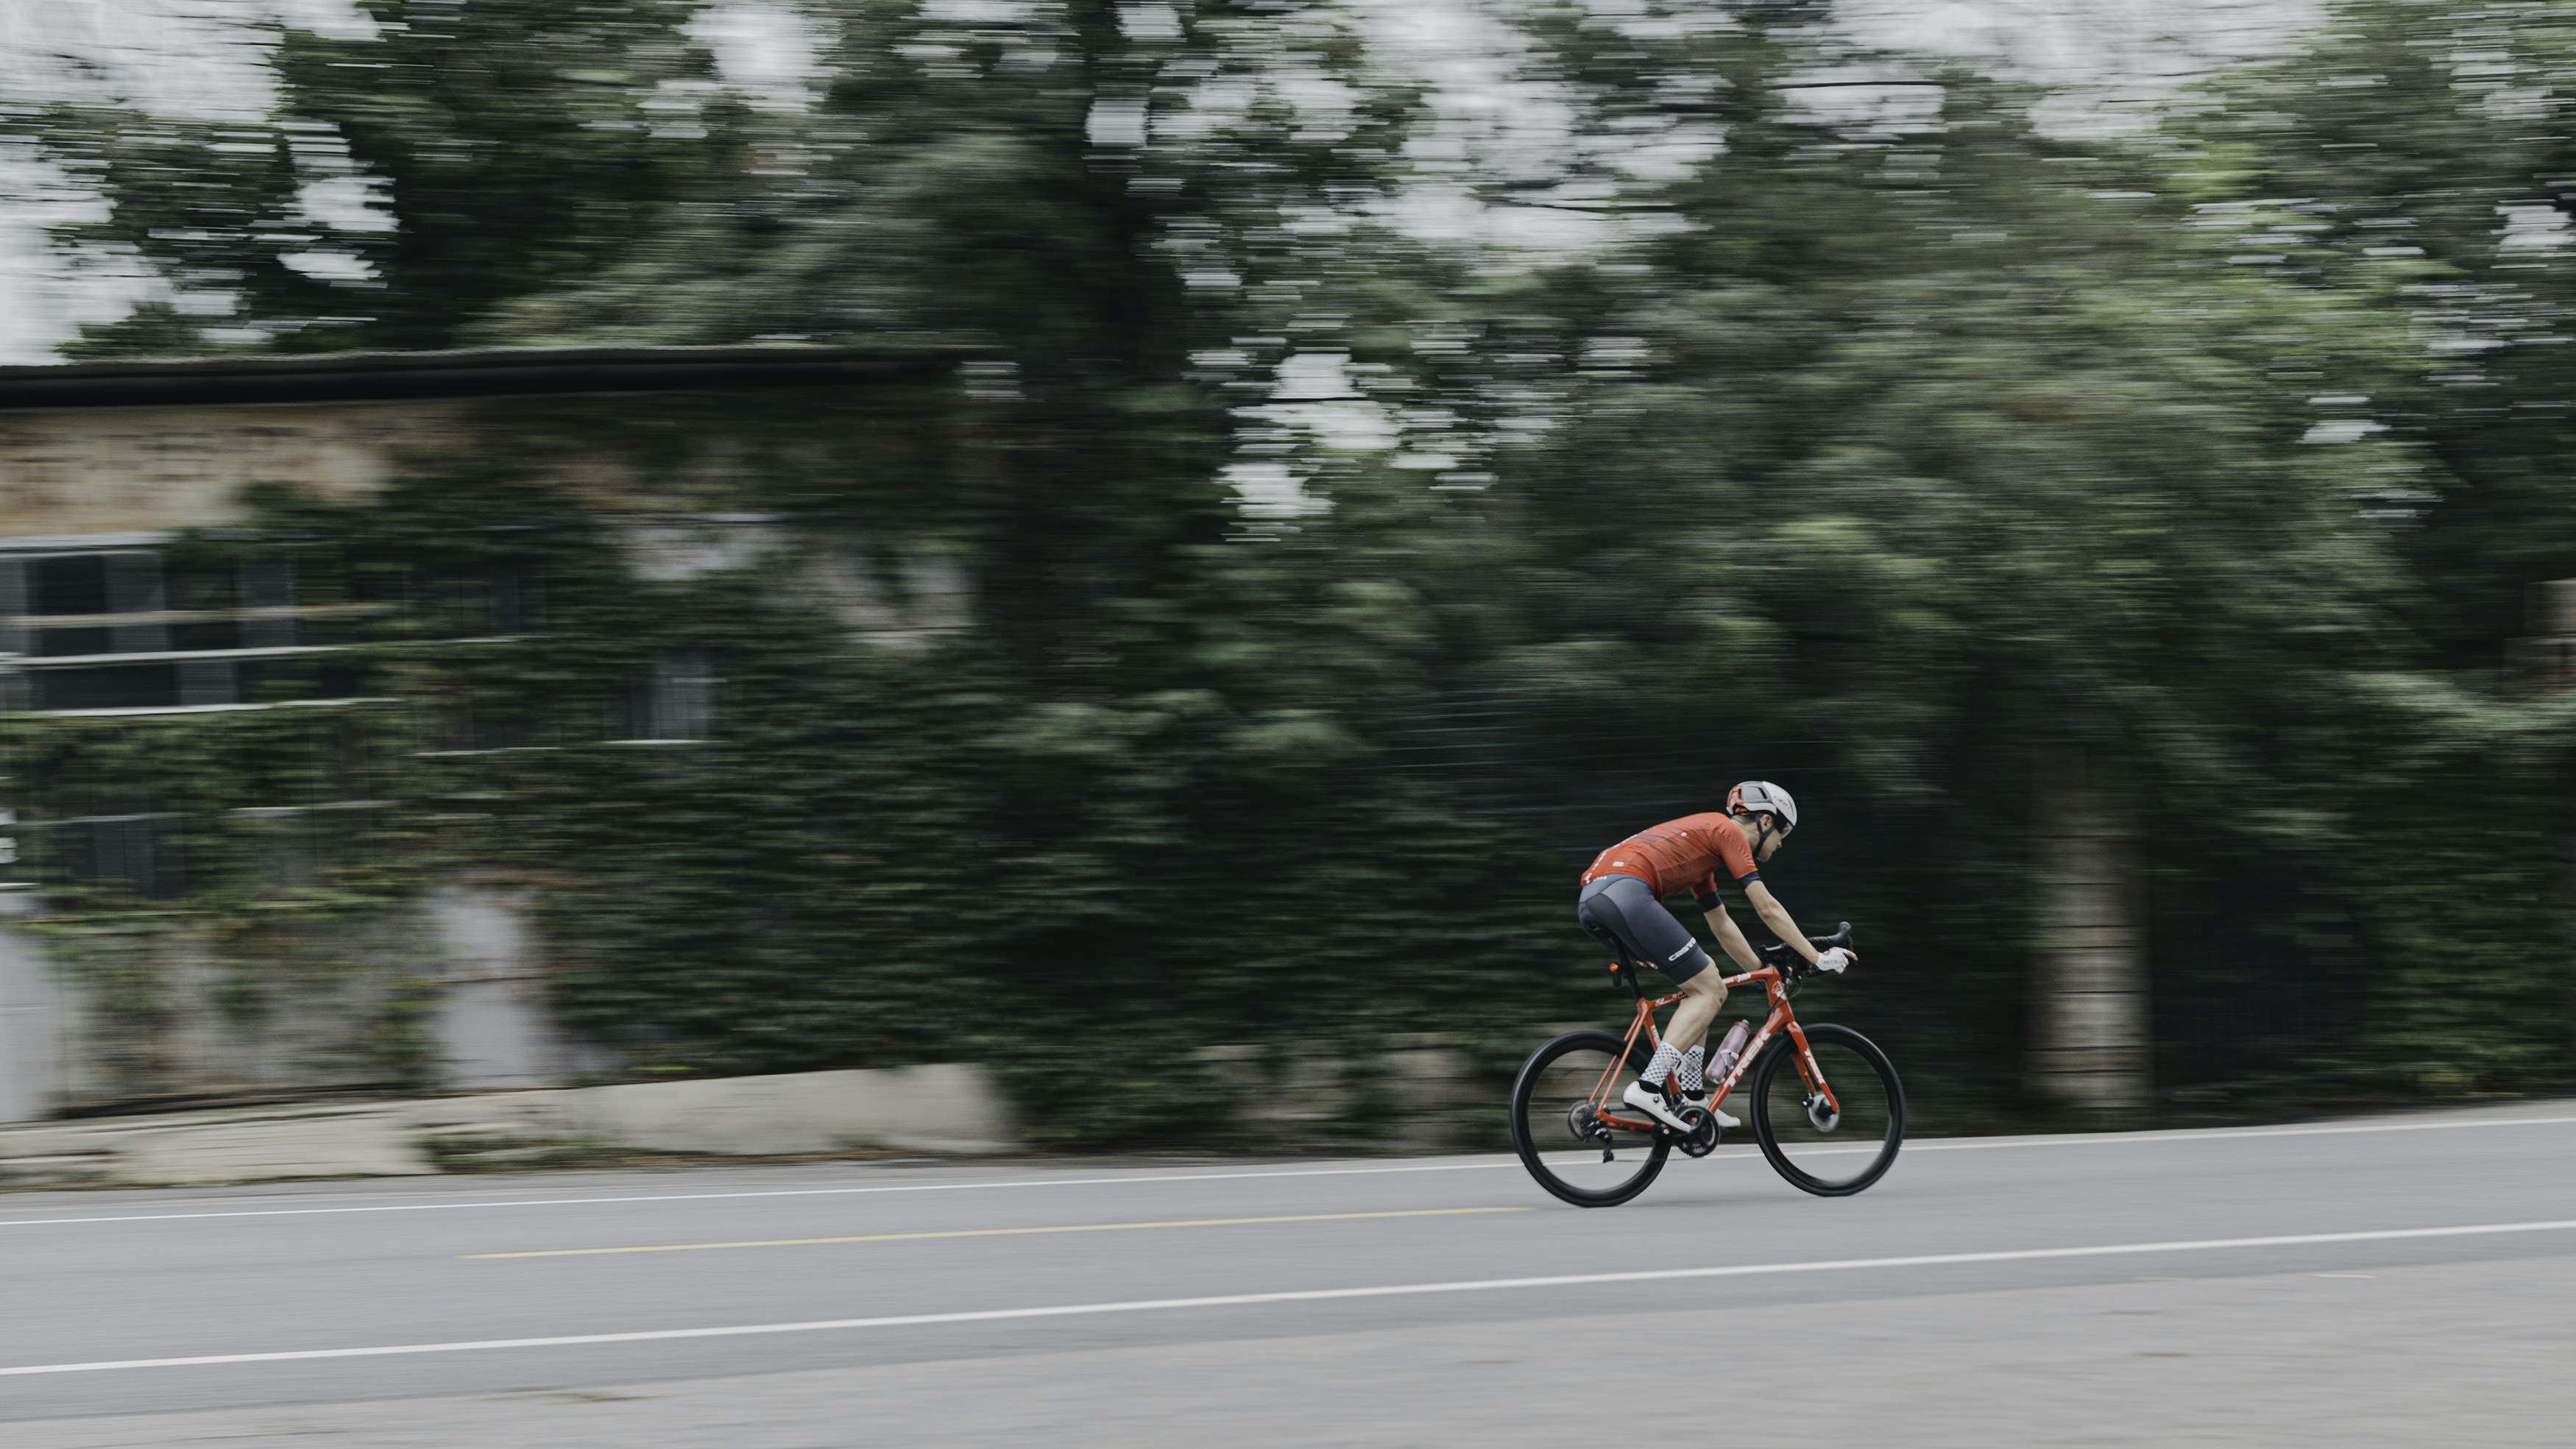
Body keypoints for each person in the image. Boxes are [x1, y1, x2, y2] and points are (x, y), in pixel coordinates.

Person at [1574, 781, 1852, 1131]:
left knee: (1703, 984)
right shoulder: (1727, 832)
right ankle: (1648, 1087)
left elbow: (1721, 924)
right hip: (1623, 892)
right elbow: (1767, 909)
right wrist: (1816, 957)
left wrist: (1762, 972)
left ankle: (1692, 1099)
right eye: (1783, 831)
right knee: (1711, 990)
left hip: (1599, 899)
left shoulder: (1705, 849)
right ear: (1765, 821)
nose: (1781, 843)